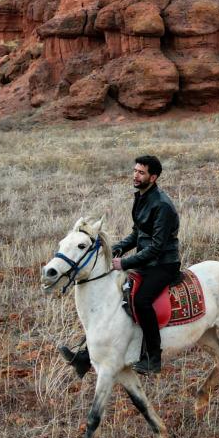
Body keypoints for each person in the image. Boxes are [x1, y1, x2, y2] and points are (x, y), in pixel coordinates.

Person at [60, 155, 181, 376]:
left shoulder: (162, 205)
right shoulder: (142, 197)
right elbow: (138, 234)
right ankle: (86, 356)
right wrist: (114, 249)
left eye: (141, 172)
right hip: (147, 261)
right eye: (135, 170)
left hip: (163, 264)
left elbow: (156, 247)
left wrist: (123, 262)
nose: (136, 175)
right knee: (113, 298)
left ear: (153, 178)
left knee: (142, 301)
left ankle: (153, 358)